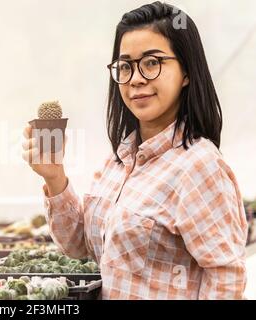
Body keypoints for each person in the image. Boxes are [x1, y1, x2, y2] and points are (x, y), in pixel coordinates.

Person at [22, 1, 247, 300]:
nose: (136, 78)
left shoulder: (198, 165)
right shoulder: (119, 161)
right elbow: (80, 246)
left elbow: (226, 279)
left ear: (186, 72)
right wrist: (55, 178)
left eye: (152, 62)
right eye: (125, 66)